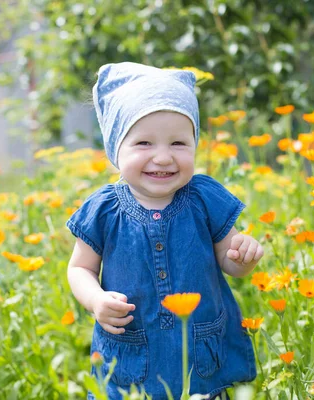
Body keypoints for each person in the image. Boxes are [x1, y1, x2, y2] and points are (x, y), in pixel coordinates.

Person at [66, 62, 264, 399]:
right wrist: (95, 299)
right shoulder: (104, 209)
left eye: (178, 143)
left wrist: (243, 257)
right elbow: (80, 268)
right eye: (144, 143)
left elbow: (230, 264)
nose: (162, 157)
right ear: (117, 148)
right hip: (133, 357)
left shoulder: (203, 198)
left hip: (199, 357)